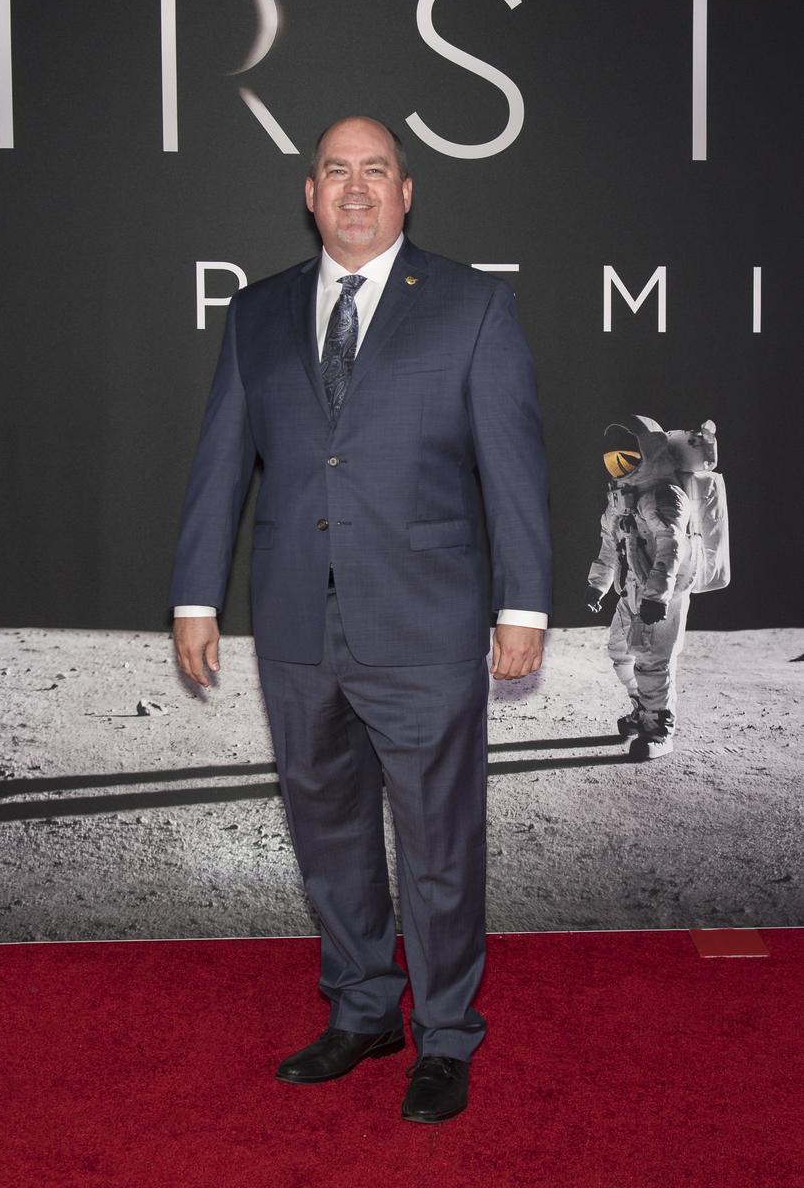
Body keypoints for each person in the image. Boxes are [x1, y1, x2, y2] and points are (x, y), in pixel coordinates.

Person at [169, 116, 551, 1124]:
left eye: (372, 170)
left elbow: (512, 468)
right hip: (296, 620)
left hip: (425, 623)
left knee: (437, 844)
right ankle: (362, 1009)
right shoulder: (257, 312)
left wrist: (521, 605)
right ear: (308, 194)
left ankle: (445, 1034)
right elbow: (220, 462)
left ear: (404, 191)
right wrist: (195, 595)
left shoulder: (470, 304)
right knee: (326, 829)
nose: (352, 188)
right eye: (333, 171)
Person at [587, 415, 724, 759]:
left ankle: (659, 728)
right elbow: (609, 545)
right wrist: (598, 585)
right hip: (632, 588)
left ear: (648, 453)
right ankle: (643, 708)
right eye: (613, 461)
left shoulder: (664, 495)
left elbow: (671, 547)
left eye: (628, 459)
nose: (619, 467)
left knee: (652, 660)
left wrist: (657, 596)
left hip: (662, 594)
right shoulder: (622, 497)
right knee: (620, 651)